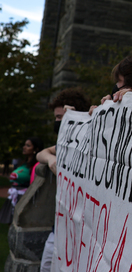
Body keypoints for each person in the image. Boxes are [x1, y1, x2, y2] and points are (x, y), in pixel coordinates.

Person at [36, 88, 91, 272]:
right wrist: (51, 159)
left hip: (83, 229)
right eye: (57, 118)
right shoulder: (64, 142)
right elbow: (41, 154)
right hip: (60, 223)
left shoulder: (91, 137)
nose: (57, 122)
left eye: (61, 117)